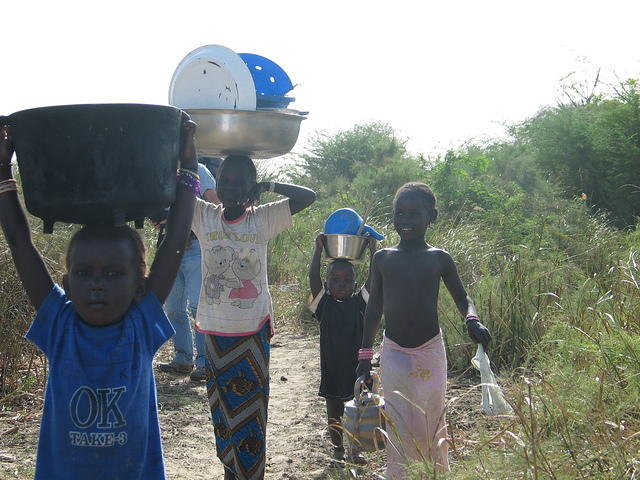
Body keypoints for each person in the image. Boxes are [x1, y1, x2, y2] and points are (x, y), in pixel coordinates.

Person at [0, 115, 198, 479]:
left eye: (113, 274)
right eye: (84, 274)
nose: (96, 285)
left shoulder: (141, 325)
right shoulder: (59, 324)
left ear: (140, 285)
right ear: (67, 282)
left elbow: (176, 240)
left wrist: (189, 165)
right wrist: (3, 168)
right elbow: (19, 242)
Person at [190, 154, 315, 480]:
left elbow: (307, 197)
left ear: (251, 186)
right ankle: (232, 471)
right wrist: (188, 152)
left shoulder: (261, 219)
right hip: (215, 334)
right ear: (215, 184)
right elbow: (174, 192)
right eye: (225, 180)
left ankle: (250, 474)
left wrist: (268, 186)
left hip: (251, 334)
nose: (230, 188)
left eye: (239, 181)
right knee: (222, 413)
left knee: (250, 415)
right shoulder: (204, 217)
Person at [356, 182, 491, 478]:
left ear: (432, 216)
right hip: (394, 351)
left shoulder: (439, 258)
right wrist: (365, 355)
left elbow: (462, 297)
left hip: (430, 350)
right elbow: (374, 309)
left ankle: (432, 473)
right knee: (398, 419)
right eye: (399, 213)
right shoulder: (383, 259)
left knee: (431, 419)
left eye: (414, 214)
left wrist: (472, 319)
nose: (405, 220)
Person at [308, 233, 375, 465]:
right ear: (327, 284)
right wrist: (318, 249)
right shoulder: (323, 305)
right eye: (335, 279)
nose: (342, 284)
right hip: (332, 370)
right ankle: (338, 449)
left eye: (347, 280)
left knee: (357, 410)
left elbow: (375, 279)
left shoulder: (360, 304)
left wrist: (372, 249)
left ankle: (355, 450)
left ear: (355, 285)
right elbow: (313, 278)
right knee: (334, 411)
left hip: (356, 370)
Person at [156, 161, 219, 381]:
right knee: (173, 307)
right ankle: (183, 358)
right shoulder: (161, 172)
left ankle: (204, 361)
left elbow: (214, 204)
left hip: (196, 246)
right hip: (170, 247)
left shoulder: (198, 170)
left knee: (197, 306)